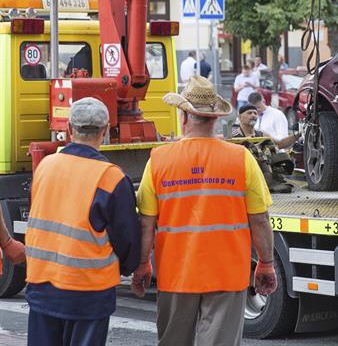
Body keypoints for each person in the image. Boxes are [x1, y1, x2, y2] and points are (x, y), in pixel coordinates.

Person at [133, 76, 277, 345]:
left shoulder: (159, 161)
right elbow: (259, 220)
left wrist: (143, 264)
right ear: (214, 118)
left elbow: (146, 224)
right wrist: (266, 264)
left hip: (176, 274)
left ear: (184, 115)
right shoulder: (241, 158)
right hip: (227, 273)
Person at [25, 97, 140, 345]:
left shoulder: (45, 166)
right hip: (88, 292)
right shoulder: (111, 178)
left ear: (68, 129)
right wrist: (130, 268)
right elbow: (127, 238)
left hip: (42, 284)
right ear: (105, 131)